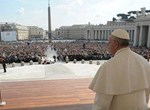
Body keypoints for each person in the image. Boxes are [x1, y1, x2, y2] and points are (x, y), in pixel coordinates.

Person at [89, 29, 150, 110]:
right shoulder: (143, 61)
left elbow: (101, 104)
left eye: (109, 43)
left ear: (116, 44)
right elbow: (147, 92)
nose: (108, 46)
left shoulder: (109, 66)